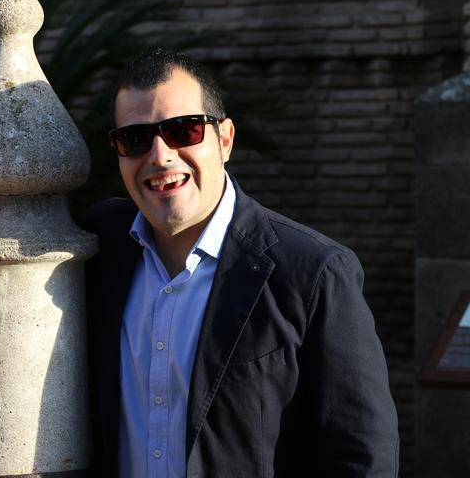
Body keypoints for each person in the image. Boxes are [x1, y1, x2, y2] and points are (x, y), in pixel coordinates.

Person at [83, 49, 399, 477]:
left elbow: (362, 457)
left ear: (225, 140)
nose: (160, 155)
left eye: (183, 130)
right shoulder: (98, 250)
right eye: (135, 138)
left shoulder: (312, 273)